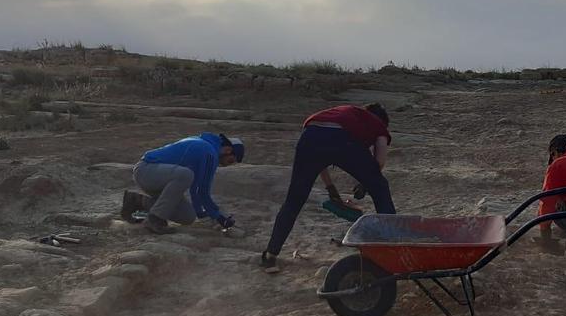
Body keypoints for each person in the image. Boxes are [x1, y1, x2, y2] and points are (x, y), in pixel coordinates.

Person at [261, 103, 395, 273]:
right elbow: (380, 161)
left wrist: (330, 188)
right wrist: (367, 183)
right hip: (342, 139)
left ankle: (270, 254)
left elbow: (321, 159)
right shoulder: (378, 125)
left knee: (294, 199)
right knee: (381, 188)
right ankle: (392, 244)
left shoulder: (346, 113)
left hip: (310, 135)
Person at [120, 132, 244, 234]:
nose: (227, 164)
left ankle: (137, 201)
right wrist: (219, 217)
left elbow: (197, 189)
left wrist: (202, 213)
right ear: (228, 150)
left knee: (188, 216)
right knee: (186, 175)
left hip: (159, 178)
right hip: (146, 170)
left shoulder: (206, 148)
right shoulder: (209, 152)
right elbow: (202, 191)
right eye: (231, 160)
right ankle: (155, 219)